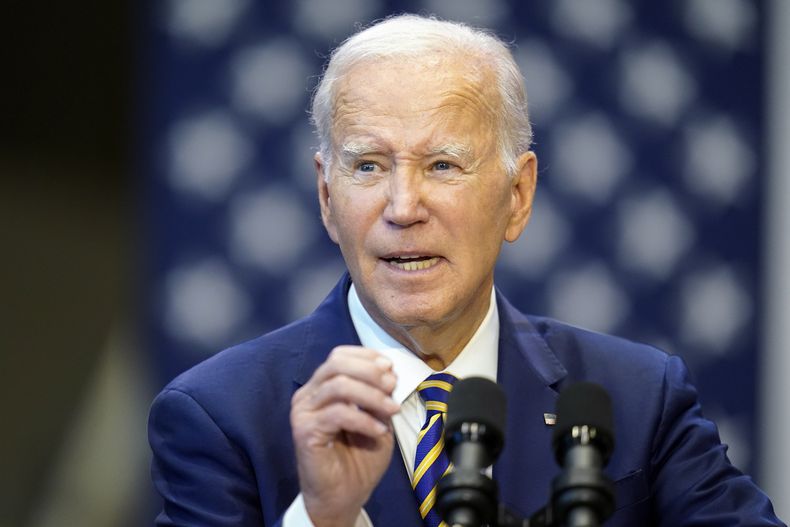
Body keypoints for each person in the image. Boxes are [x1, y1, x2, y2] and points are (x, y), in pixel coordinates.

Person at [148, 14, 784, 527]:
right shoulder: (221, 416)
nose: (403, 208)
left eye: (443, 166)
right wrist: (323, 519)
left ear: (518, 196)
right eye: (368, 166)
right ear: (326, 196)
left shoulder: (639, 397)